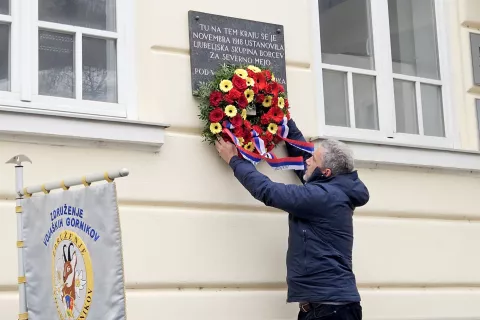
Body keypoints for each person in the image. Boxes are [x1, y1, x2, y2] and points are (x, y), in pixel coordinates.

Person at [215, 118, 369, 320]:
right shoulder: (334, 189)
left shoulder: (323, 197)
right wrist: (283, 120)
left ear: (326, 173)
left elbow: (268, 191)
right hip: (326, 307)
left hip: (330, 310)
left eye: (313, 160)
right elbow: (305, 160)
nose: (307, 161)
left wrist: (235, 161)